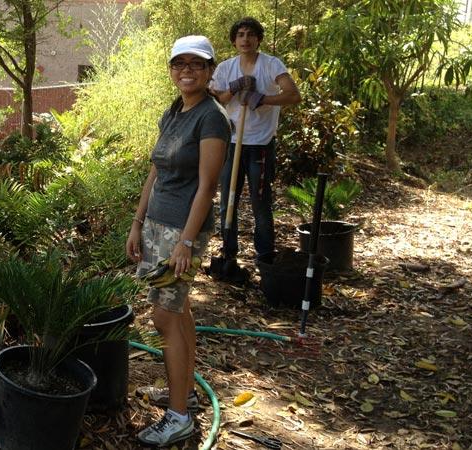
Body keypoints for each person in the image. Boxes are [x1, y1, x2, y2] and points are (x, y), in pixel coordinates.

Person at [125, 35, 229, 446]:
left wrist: (186, 242)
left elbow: (207, 186)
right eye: (179, 63)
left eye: (196, 64)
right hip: (156, 224)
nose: (187, 70)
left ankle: (179, 416)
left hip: (180, 231)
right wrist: (137, 222)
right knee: (178, 309)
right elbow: (155, 172)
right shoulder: (174, 112)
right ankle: (182, 390)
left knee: (164, 317)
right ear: (171, 69)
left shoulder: (211, 117)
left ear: (209, 71)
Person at [208, 17, 302, 282]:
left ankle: (265, 259)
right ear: (234, 40)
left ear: (258, 38)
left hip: (260, 145)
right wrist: (235, 88)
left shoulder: (271, 64)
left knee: (261, 205)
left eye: (250, 34)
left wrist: (263, 98)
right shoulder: (226, 68)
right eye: (240, 34)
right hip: (232, 143)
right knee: (228, 201)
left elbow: (293, 95)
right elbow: (216, 99)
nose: (245, 39)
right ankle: (228, 255)